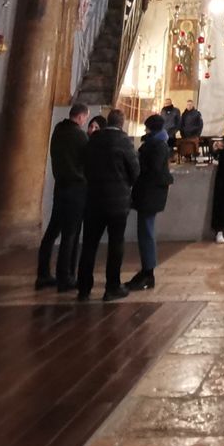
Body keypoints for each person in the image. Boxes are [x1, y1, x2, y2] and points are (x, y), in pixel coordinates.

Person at [76, 108, 139, 302]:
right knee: (115, 244)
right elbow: (135, 171)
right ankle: (112, 287)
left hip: (94, 199)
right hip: (117, 202)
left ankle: (84, 288)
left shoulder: (94, 140)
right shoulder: (124, 142)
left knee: (89, 244)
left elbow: (84, 164)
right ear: (122, 123)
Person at [36, 102, 89, 291]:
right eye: (85, 119)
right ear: (81, 117)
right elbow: (88, 160)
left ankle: (42, 274)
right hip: (76, 190)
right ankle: (64, 277)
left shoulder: (58, 132)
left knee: (52, 232)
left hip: (60, 188)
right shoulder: (79, 136)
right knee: (70, 234)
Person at [128, 113, 173, 290]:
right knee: (145, 231)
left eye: (146, 127)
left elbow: (154, 170)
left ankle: (148, 272)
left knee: (146, 232)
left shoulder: (156, 145)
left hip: (150, 194)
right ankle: (147, 271)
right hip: (149, 193)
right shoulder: (156, 143)